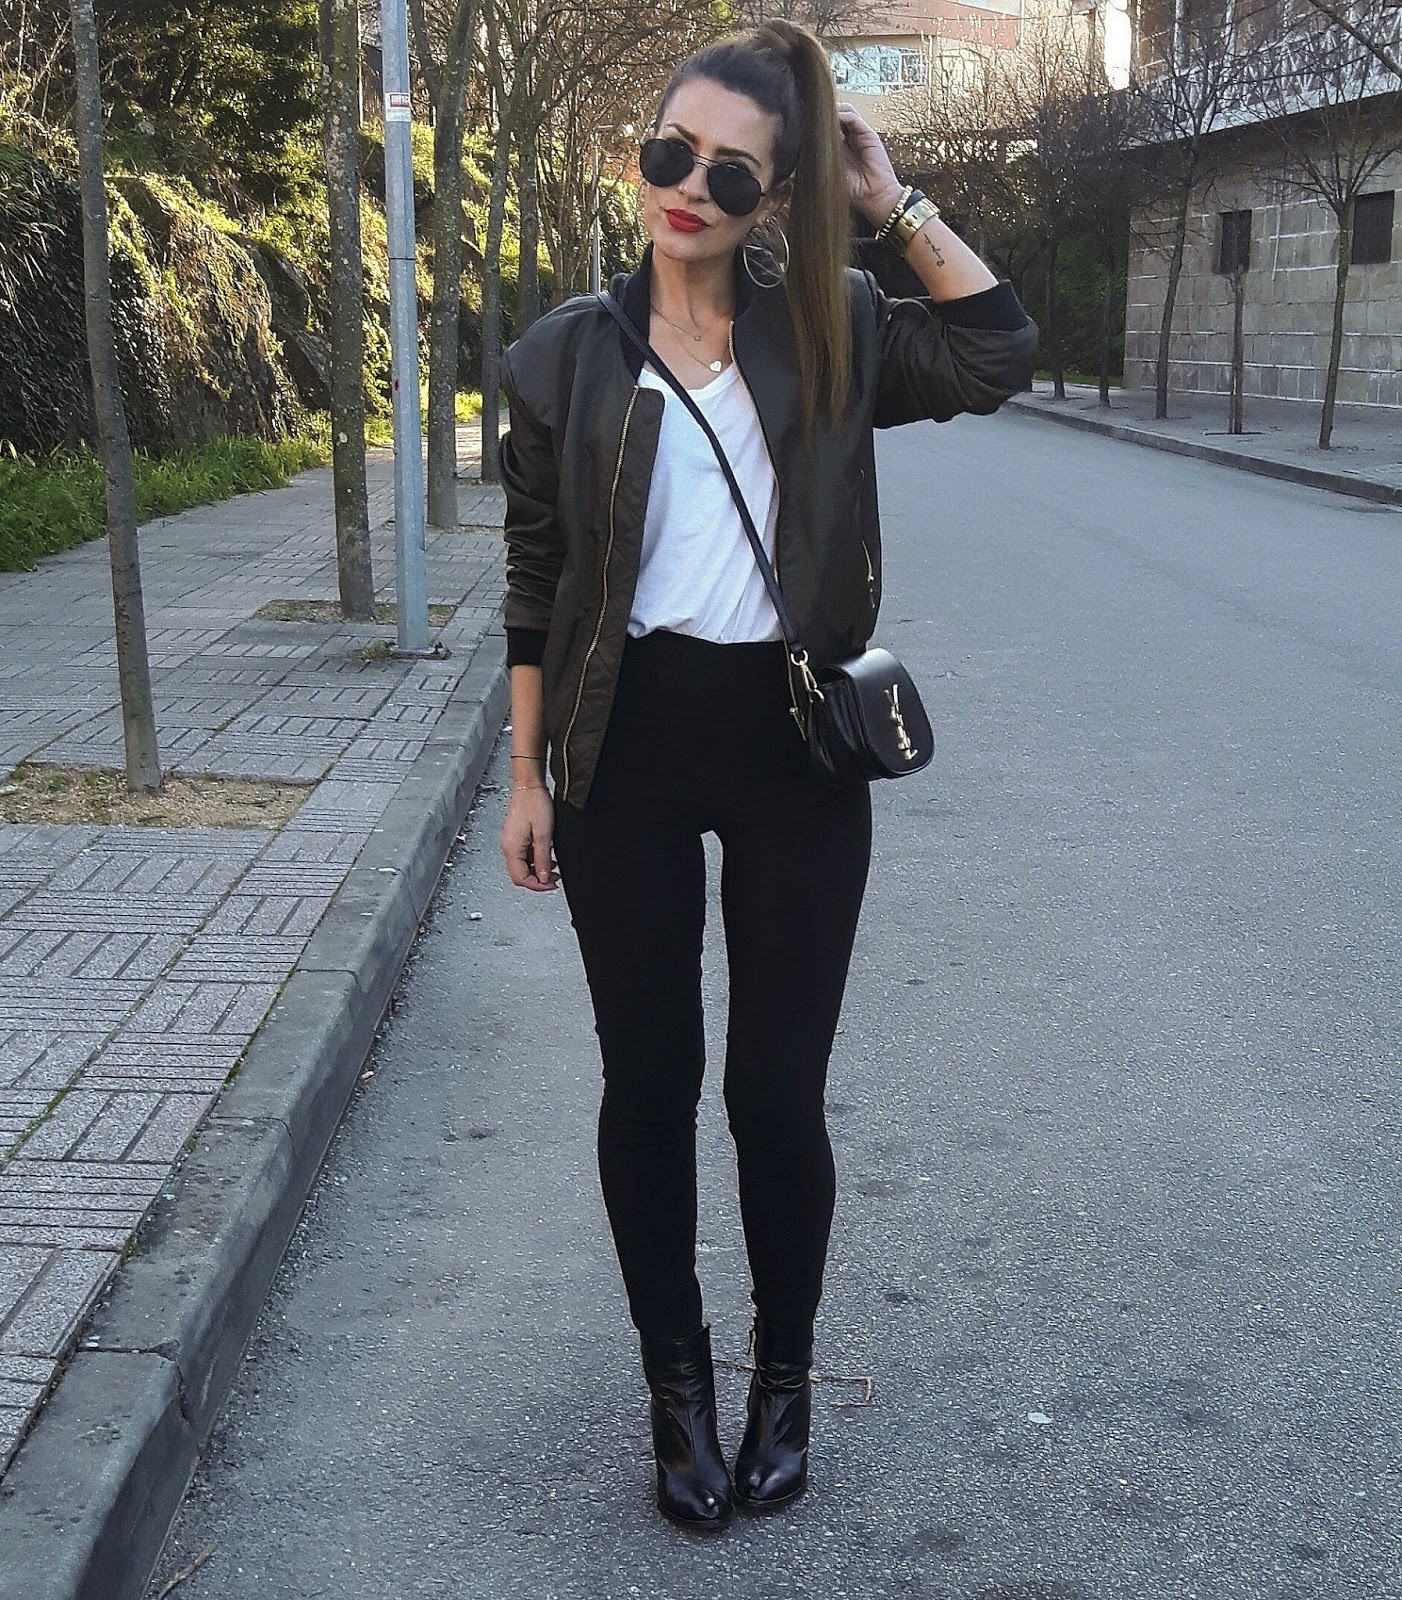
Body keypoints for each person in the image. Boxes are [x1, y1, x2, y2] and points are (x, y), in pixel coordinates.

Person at [497, 19, 1036, 1529]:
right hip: (624, 743)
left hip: (794, 744)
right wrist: (527, 775)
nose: (689, 188)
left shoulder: (833, 327)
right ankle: (675, 1392)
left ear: (774, 197)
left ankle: (782, 1385)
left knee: (774, 1092)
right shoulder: (563, 354)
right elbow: (534, 579)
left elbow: (995, 351)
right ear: (640, 155)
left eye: (732, 173)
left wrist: (889, 200)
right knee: (649, 1081)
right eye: (669, 153)